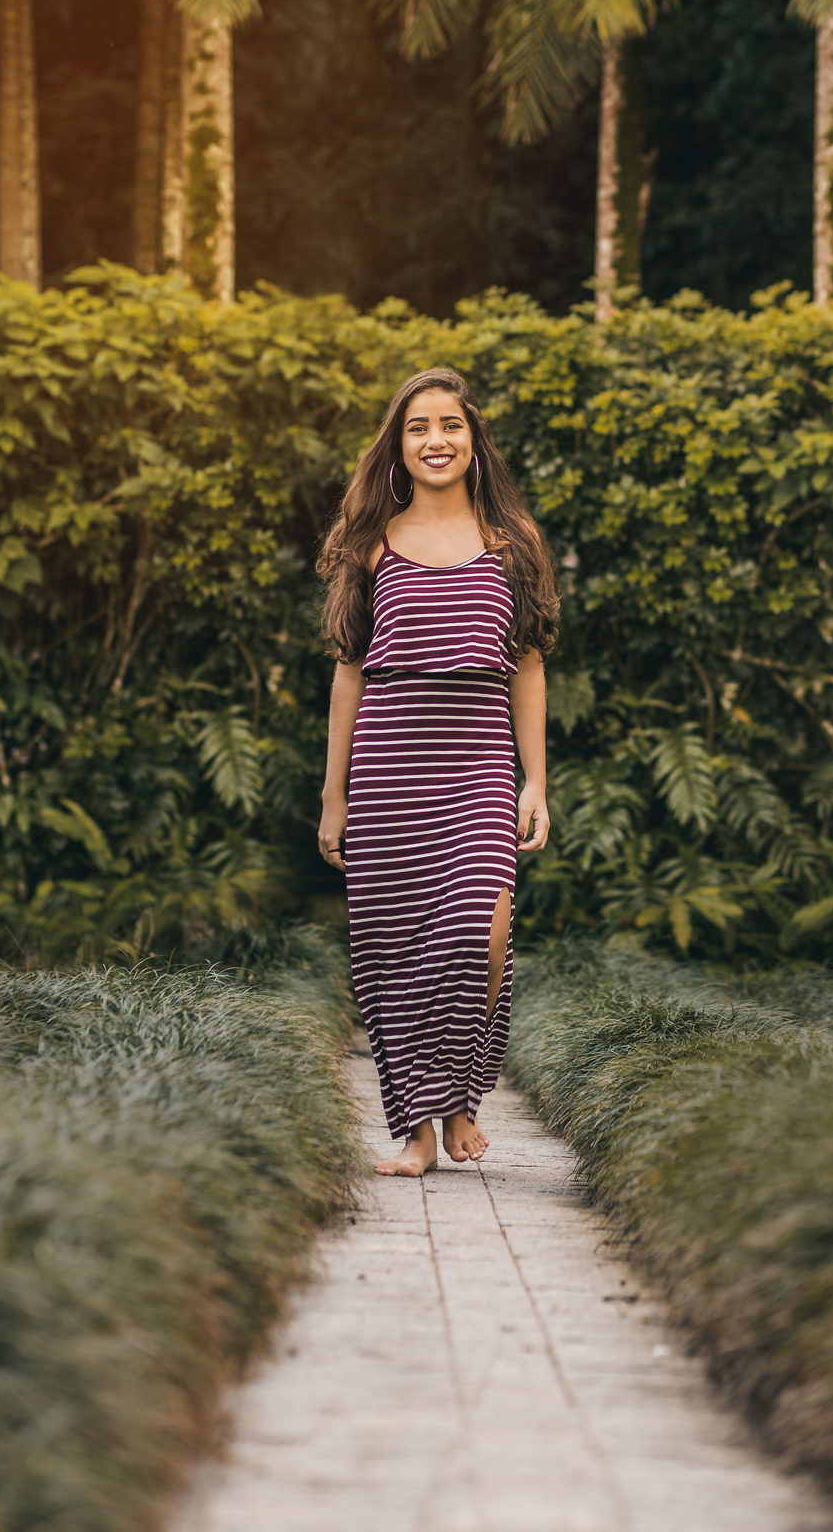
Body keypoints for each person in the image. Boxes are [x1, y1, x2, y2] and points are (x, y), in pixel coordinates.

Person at [316, 367, 559, 1176]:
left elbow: (527, 666)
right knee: (392, 946)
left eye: (450, 425)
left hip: (478, 764)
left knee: (476, 936)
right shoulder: (369, 544)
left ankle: (460, 1093)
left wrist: (535, 782)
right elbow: (350, 672)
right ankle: (421, 1127)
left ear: (474, 442)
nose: (435, 441)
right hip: (388, 765)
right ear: (399, 445)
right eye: (418, 427)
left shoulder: (510, 544)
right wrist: (334, 796)